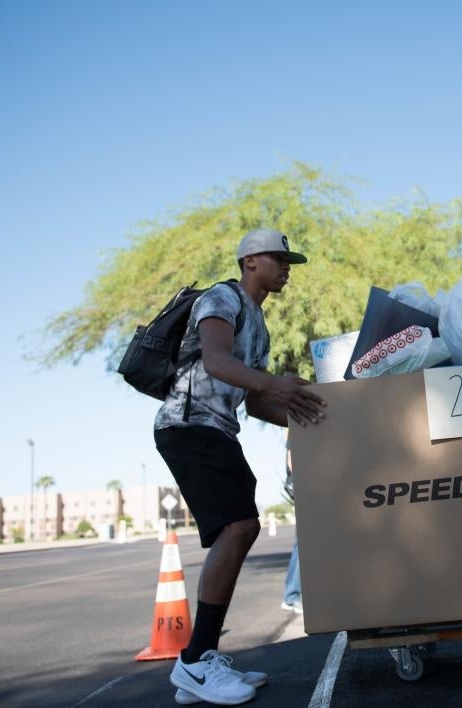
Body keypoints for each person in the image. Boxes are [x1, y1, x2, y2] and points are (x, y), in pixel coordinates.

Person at [156, 228, 326, 704]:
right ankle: (195, 662)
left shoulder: (260, 325)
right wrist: (276, 384)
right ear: (251, 261)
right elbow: (214, 360)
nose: (286, 266)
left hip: (217, 429)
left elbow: (254, 402)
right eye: (279, 258)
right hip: (188, 424)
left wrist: (313, 411)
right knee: (239, 527)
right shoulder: (222, 298)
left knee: (242, 527)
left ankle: (198, 662)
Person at [280, 439, 303, 614]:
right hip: (302, 484)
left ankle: (294, 595)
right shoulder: (300, 418)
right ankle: (291, 596)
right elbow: (291, 458)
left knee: (308, 541)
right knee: (305, 541)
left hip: (308, 483)